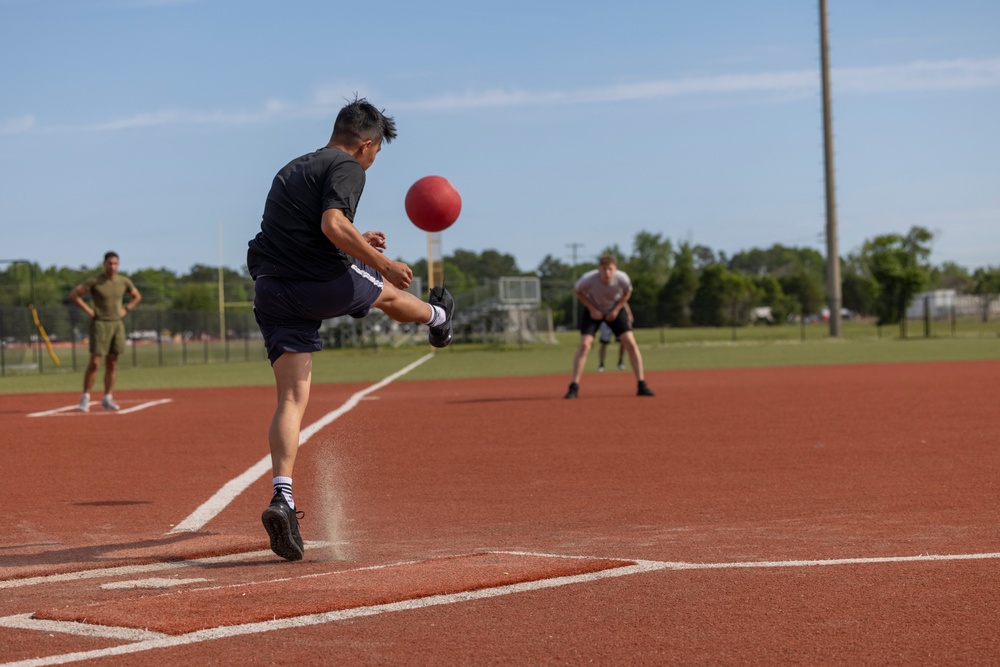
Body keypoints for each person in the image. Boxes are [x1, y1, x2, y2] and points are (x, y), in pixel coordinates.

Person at [247, 97, 455, 562]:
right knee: (387, 291)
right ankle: (440, 319)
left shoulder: (293, 168)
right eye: (377, 151)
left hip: (271, 289)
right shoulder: (348, 167)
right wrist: (379, 260)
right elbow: (332, 222)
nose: (373, 160)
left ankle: (283, 496)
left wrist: (362, 240)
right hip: (319, 284)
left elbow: (316, 228)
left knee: (291, 399)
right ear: (365, 145)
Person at [564, 255, 653, 399]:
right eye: (603, 269)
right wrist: (592, 309)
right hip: (594, 310)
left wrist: (616, 310)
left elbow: (627, 293)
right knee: (585, 345)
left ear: (615, 269)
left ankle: (641, 384)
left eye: (610, 269)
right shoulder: (588, 278)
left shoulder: (622, 278)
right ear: (598, 269)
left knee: (630, 342)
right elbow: (578, 291)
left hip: (615, 309)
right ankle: (574, 386)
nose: (607, 273)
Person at [68, 251, 142, 412]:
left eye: (115, 263)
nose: (112, 266)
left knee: (112, 362)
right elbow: (74, 295)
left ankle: (108, 397)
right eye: (110, 263)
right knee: (95, 362)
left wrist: (126, 310)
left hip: (117, 324)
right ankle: (85, 397)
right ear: (104, 264)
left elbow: (136, 296)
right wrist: (89, 310)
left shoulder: (123, 281)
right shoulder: (95, 281)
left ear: (119, 265)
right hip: (100, 324)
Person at [597, 302, 631, 372]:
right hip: (605, 320)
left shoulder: (617, 293)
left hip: (617, 319)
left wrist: (629, 314)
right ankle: (601, 364)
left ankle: (620, 361)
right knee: (604, 343)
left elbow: (624, 302)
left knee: (623, 342)